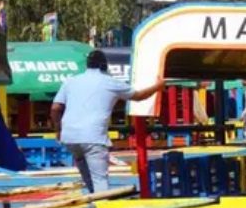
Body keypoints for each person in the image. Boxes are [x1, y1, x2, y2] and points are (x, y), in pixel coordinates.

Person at [50, 50, 163, 193]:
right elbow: (139, 96)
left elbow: (55, 108)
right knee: (100, 179)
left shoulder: (70, 81)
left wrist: (58, 130)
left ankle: (92, 200)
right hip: (93, 137)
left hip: (70, 137)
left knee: (87, 174)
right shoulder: (110, 82)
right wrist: (158, 86)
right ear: (105, 66)